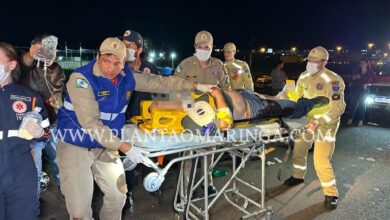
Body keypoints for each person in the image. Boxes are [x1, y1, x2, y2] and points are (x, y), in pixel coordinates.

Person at [56, 37, 215, 220]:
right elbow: (91, 125)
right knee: (79, 211)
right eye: (106, 61)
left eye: (117, 63)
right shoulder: (81, 79)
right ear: (98, 56)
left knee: (118, 196)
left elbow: (160, 82)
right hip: (76, 144)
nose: (110, 68)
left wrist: (195, 86)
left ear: (124, 63)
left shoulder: (126, 77)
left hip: (106, 147)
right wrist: (126, 147)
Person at [283, 46, 346, 210]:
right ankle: (297, 176)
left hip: (326, 124)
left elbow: (338, 108)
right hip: (308, 120)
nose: (310, 64)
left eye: (314, 62)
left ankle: (331, 194)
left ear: (324, 62)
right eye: (309, 60)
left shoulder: (333, 80)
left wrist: (319, 122)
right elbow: (296, 97)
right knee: (299, 148)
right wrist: (286, 93)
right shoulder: (304, 76)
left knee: (320, 159)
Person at [174, 30, 229, 195]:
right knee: (188, 156)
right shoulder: (185, 65)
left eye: (207, 47)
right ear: (195, 47)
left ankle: (207, 183)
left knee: (209, 153)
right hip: (190, 116)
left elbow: (226, 89)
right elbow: (175, 86)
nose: (203, 49)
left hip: (211, 118)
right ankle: (185, 191)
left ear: (212, 47)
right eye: (200, 46)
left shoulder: (219, 66)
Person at [0, 42, 48, 220]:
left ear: (11, 65)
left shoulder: (30, 97)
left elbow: (45, 131)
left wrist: (39, 133)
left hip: (21, 168)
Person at [16, 33, 65, 200]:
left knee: (60, 161)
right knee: (33, 169)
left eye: (51, 50)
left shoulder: (56, 68)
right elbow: (21, 67)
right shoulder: (23, 68)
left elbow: (59, 91)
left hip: (52, 126)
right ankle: (32, 201)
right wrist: (30, 55)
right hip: (30, 129)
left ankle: (64, 189)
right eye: (41, 49)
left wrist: (57, 100)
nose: (46, 53)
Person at [121, 29, 161, 213]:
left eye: (131, 46)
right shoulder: (118, 65)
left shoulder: (149, 67)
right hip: (124, 121)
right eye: (125, 45)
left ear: (139, 48)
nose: (127, 48)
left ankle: (152, 182)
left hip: (147, 121)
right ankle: (127, 194)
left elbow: (159, 92)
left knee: (150, 155)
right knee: (126, 160)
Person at [346, 58, 375, 126]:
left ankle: (360, 120)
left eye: (363, 63)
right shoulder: (356, 71)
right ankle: (350, 119)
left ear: (367, 64)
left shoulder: (370, 72)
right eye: (361, 63)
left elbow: (373, 81)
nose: (362, 64)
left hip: (364, 90)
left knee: (362, 104)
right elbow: (350, 80)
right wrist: (353, 78)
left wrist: (367, 84)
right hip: (355, 89)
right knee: (353, 104)